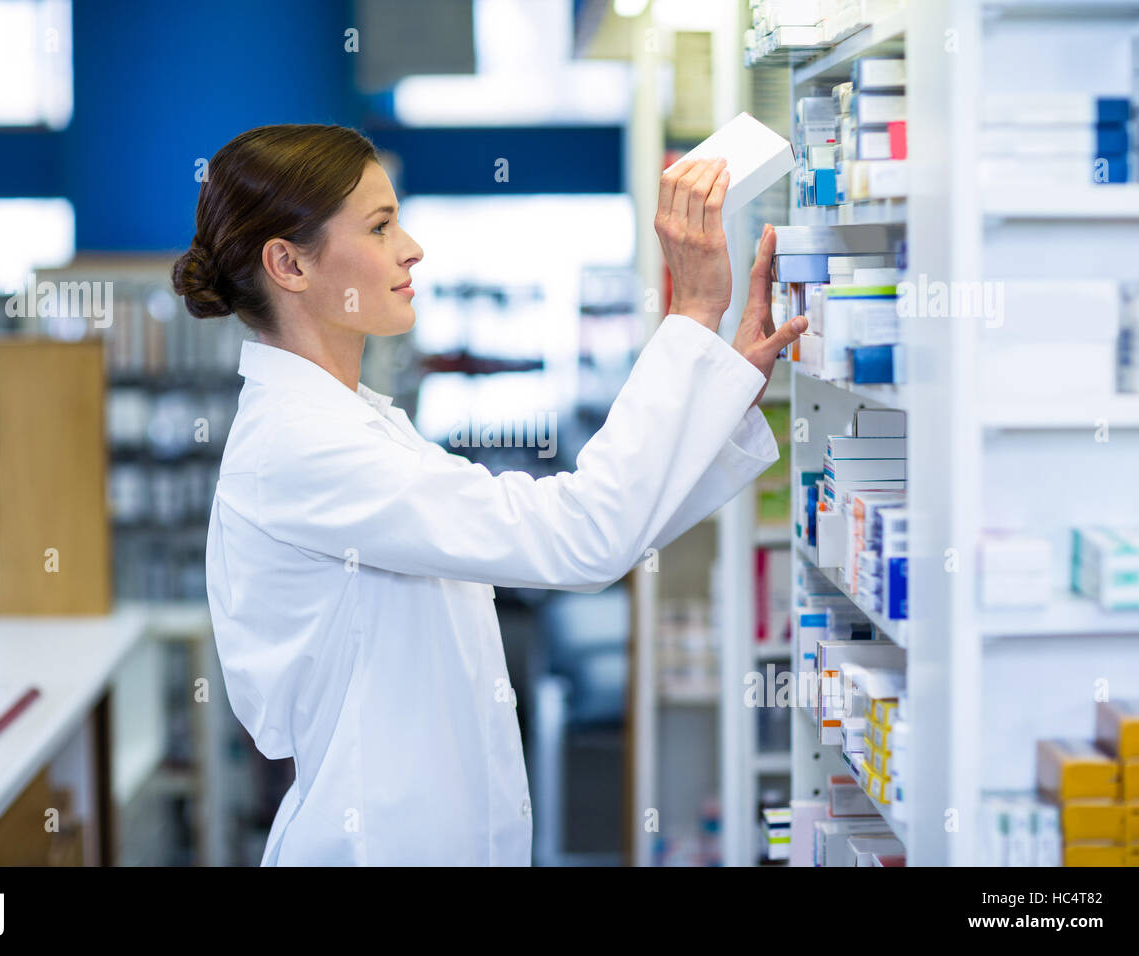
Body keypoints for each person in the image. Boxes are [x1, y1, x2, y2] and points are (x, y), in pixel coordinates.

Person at [172, 124, 807, 866]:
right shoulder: (303, 447)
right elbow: (580, 536)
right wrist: (692, 316)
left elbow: (601, 530)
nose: (412, 248)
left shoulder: (353, 423)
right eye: (380, 227)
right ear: (288, 264)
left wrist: (719, 389)